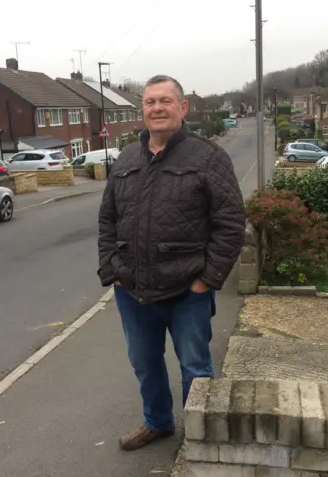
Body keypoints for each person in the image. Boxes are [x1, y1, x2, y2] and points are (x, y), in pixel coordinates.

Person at [97, 75, 246, 451]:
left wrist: (207, 280)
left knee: (195, 369)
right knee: (145, 365)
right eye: (150, 102)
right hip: (133, 291)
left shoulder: (208, 157)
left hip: (187, 291)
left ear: (182, 108)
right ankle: (158, 422)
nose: (157, 108)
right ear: (142, 110)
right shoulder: (128, 158)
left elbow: (230, 224)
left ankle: (200, 435)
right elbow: (107, 218)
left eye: (165, 101)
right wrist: (111, 270)